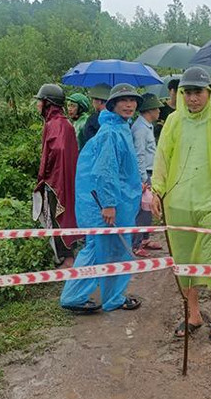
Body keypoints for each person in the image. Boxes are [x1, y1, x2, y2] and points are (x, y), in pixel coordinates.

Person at [151, 67, 211, 340]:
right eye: (188, 93)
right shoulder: (174, 122)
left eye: (198, 92)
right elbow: (162, 158)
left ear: (209, 93)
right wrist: (157, 190)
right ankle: (193, 314)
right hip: (178, 204)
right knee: (184, 261)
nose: (193, 98)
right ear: (181, 94)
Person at [60, 83, 143, 313]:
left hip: (116, 201)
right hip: (108, 204)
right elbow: (104, 171)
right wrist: (108, 204)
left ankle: (107, 297)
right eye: (123, 100)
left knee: (103, 250)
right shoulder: (111, 132)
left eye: (133, 100)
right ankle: (80, 297)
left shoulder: (120, 127)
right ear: (113, 104)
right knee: (105, 251)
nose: (129, 105)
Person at [32, 84, 81, 268]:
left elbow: (57, 151)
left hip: (56, 182)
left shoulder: (55, 125)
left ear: (48, 103)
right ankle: (66, 257)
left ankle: (66, 260)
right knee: (63, 215)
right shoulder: (63, 123)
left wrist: (46, 176)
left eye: (40, 101)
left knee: (58, 216)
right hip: (64, 180)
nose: (37, 105)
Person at [130, 93, 163, 257]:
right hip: (144, 175)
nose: (159, 112)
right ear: (149, 110)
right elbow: (139, 155)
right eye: (157, 108)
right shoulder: (140, 129)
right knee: (142, 210)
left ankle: (144, 239)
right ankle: (136, 244)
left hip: (150, 172)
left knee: (147, 209)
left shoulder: (146, 126)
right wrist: (143, 180)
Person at [81, 83, 112, 147]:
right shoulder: (119, 117)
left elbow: (89, 140)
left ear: (99, 101)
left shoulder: (93, 119)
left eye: (93, 99)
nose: (93, 103)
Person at [154, 78, 179, 143]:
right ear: (169, 91)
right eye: (174, 92)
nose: (176, 96)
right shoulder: (161, 108)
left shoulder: (184, 109)